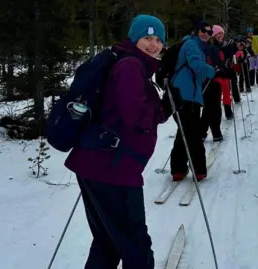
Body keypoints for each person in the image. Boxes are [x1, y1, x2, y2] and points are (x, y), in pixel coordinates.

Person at [64, 14, 176, 269]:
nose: (153, 45)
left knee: (108, 240)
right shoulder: (131, 67)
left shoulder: (129, 62)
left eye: (158, 39)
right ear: (134, 37)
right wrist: (160, 109)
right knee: (135, 244)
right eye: (147, 38)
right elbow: (133, 115)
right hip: (113, 168)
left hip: (97, 163)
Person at [170, 20, 216, 182]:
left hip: (187, 94)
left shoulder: (196, 46)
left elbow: (196, 71)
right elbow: (196, 65)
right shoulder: (191, 45)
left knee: (184, 131)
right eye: (203, 30)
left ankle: (178, 169)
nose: (206, 34)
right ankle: (199, 170)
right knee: (193, 133)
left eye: (210, 32)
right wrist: (214, 71)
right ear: (196, 31)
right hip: (184, 95)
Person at [200, 25, 227, 141]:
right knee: (213, 108)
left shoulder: (219, 47)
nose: (220, 36)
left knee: (210, 108)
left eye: (222, 33)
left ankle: (203, 132)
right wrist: (220, 70)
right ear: (213, 36)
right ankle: (215, 133)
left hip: (217, 80)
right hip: (210, 81)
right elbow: (211, 64)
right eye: (218, 34)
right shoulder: (211, 47)